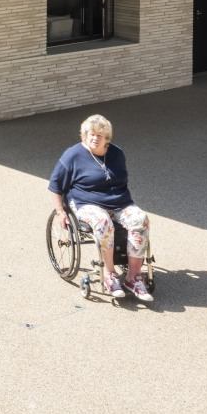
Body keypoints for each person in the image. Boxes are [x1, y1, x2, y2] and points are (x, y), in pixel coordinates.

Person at [48, 113, 153, 303]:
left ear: (107, 138)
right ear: (84, 135)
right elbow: (55, 186)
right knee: (103, 222)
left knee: (140, 219)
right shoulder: (72, 155)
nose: (95, 137)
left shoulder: (116, 153)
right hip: (87, 204)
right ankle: (109, 274)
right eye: (91, 133)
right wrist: (60, 212)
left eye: (100, 134)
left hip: (119, 203)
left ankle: (133, 277)